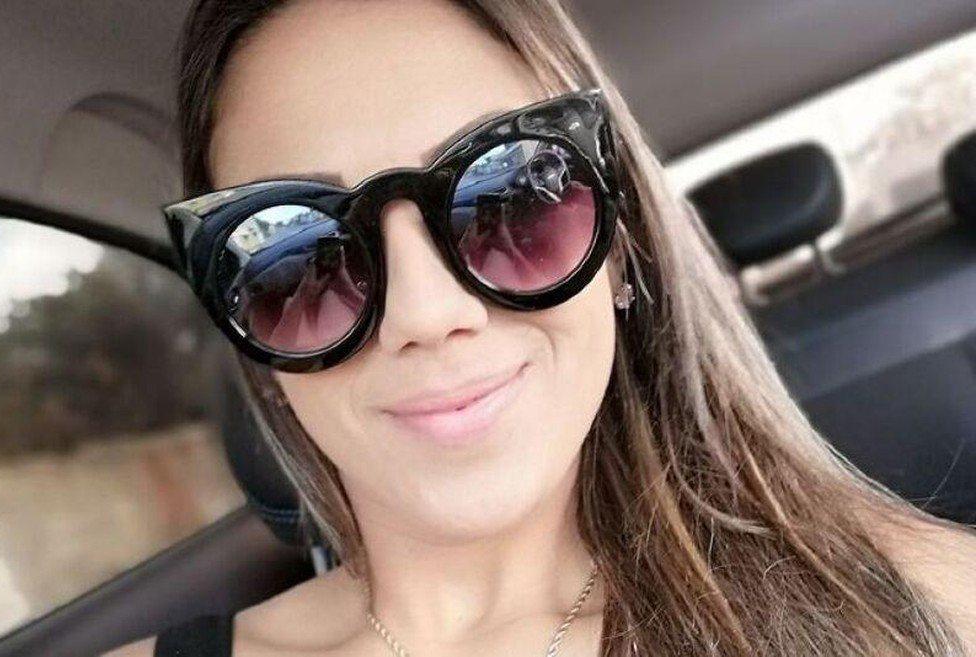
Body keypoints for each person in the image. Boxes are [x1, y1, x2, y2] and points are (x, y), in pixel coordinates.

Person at [107, 0, 976, 655]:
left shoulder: (928, 608)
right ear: (253, 344)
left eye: (512, 201)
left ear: (621, 250)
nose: (428, 314)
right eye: (299, 258)